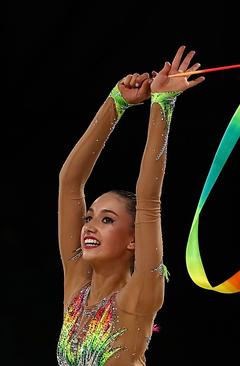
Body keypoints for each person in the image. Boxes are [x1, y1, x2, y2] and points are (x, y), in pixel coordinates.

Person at [56, 45, 205, 365]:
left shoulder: (138, 297)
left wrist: (162, 103)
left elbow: (149, 198)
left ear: (134, 238)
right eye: (89, 217)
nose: (89, 226)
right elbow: (70, 182)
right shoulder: (77, 283)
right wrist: (116, 102)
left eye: (107, 220)